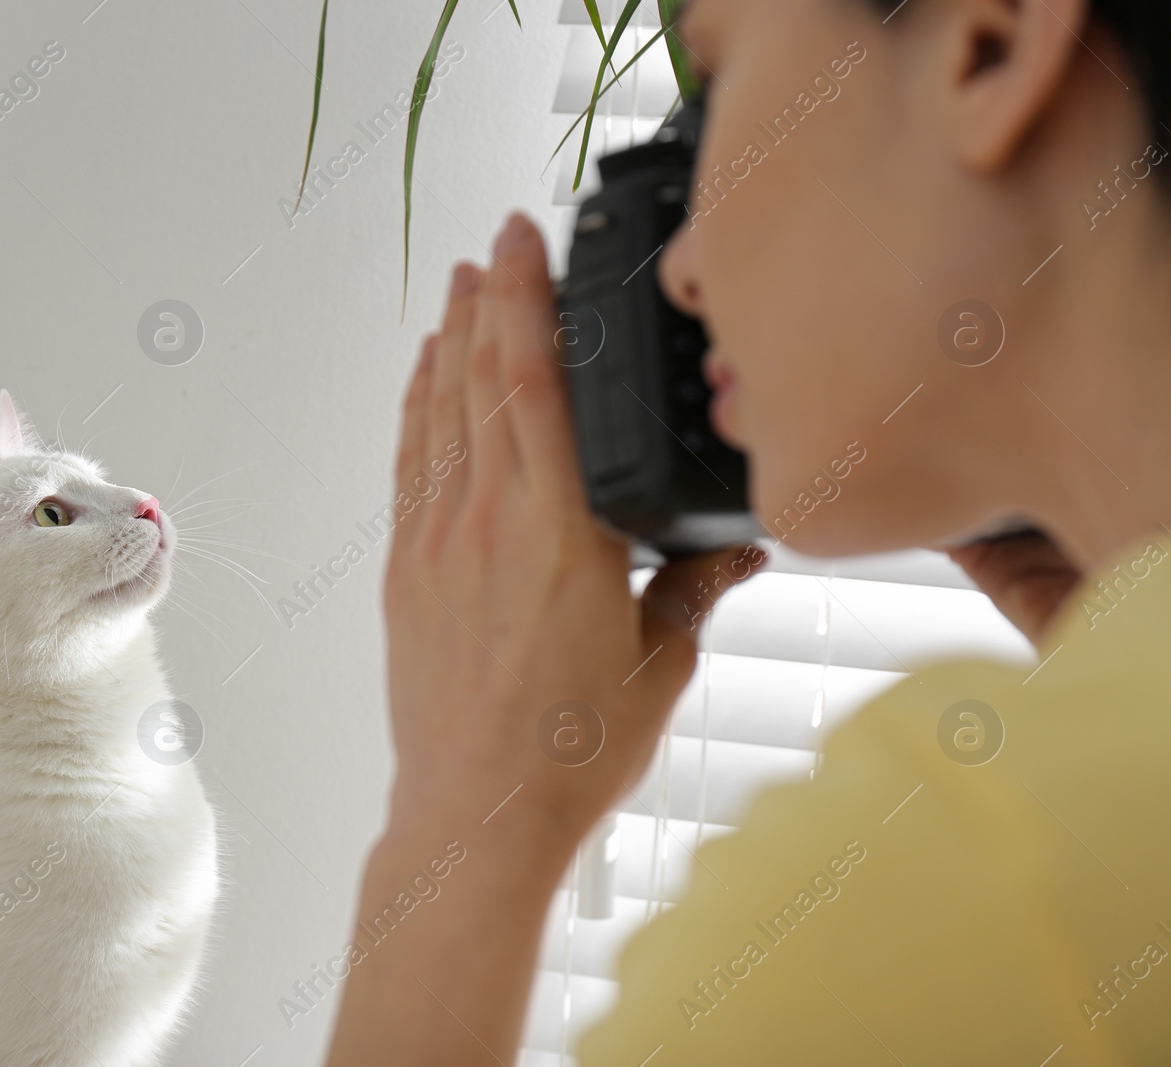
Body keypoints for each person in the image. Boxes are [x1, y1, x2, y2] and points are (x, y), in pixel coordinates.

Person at [324, 0, 1171, 1062]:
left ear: (987, 44)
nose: (680, 269)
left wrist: (461, 820)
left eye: (717, 80)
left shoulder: (978, 879)